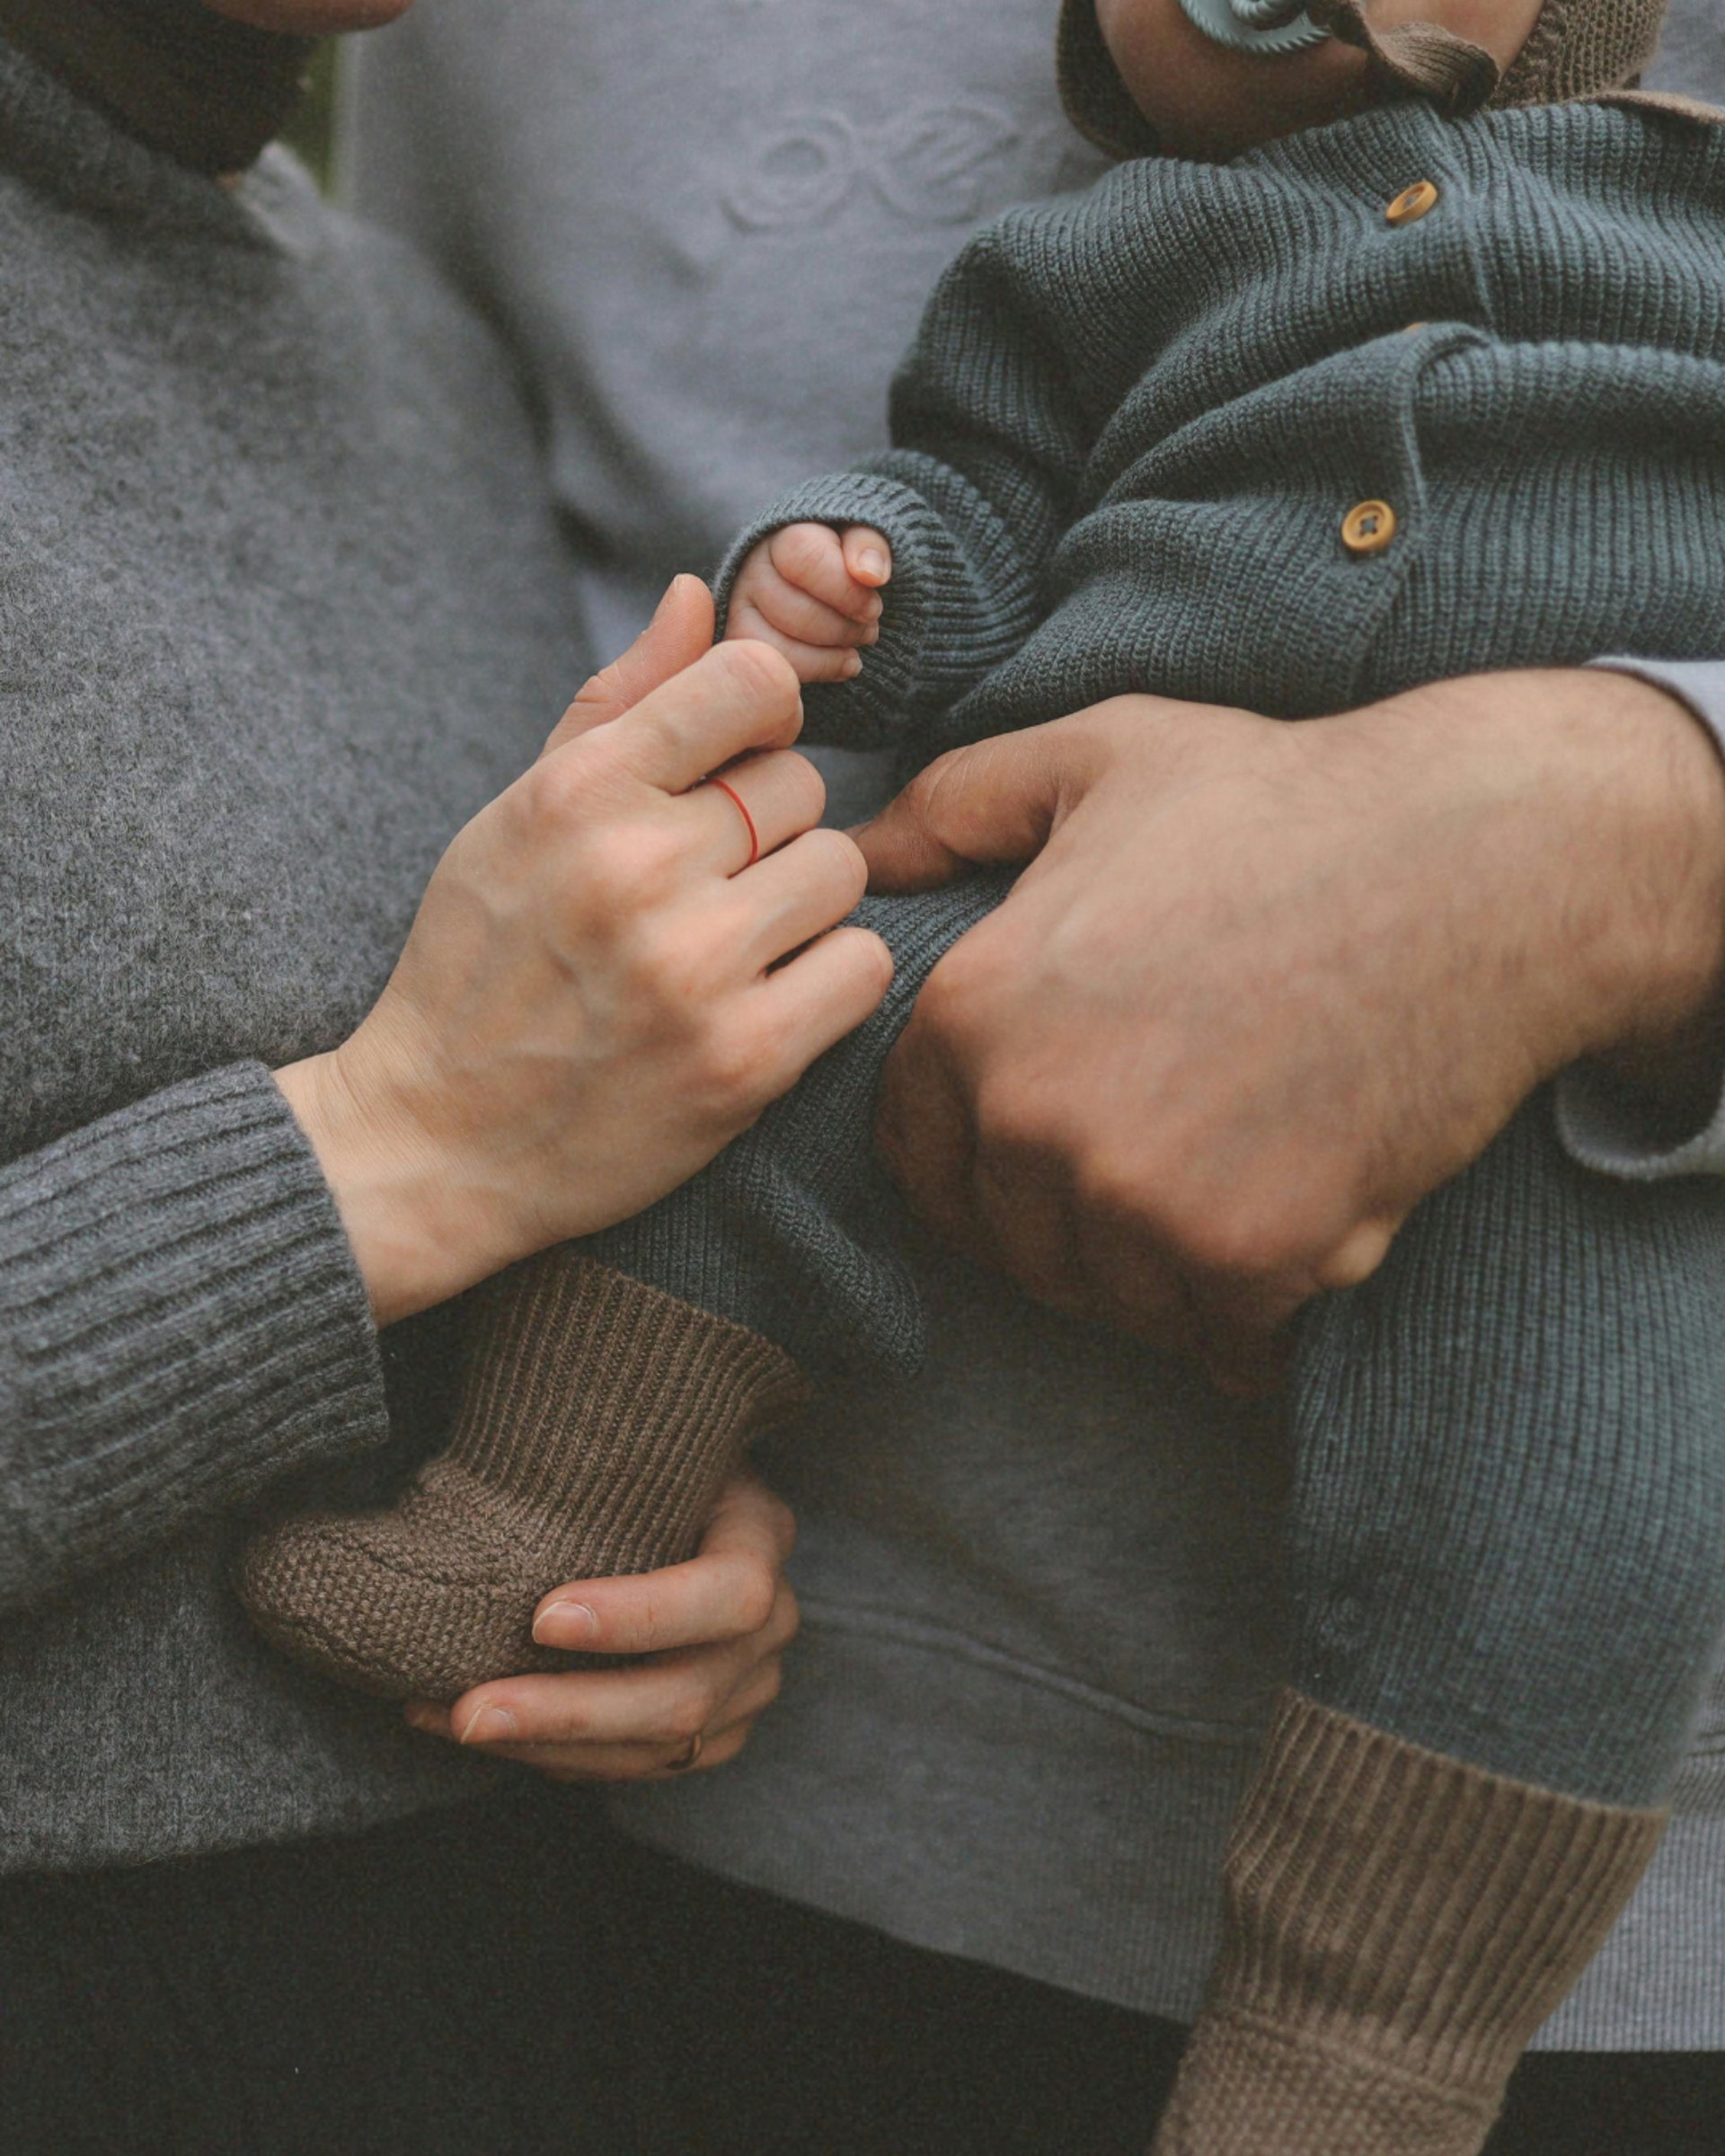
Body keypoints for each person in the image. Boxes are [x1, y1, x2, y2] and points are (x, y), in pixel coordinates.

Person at [348, 2, 1725, 2150]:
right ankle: (527, 1504)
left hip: (1596, 1197)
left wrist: (1631, 817)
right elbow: (964, 486)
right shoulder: (1100, 254)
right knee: (774, 1067)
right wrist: (870, 576)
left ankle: (1361, 2050)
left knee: (1574, 1505)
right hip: (713, 1810)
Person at [0, 3, 887, 2149]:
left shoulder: (408, 345)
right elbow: (439, 1131)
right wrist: (394, 1150)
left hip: (505, 1992)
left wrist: (609, 1512)